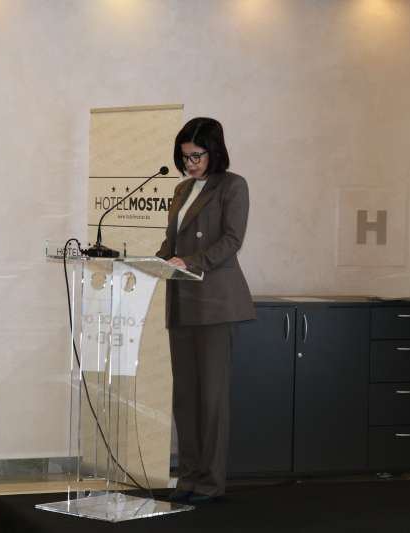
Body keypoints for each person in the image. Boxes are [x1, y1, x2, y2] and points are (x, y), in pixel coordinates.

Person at [156, 117, 255, 503]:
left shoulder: (233, 186)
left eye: (197, 156)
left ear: (215, 151)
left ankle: (211, 483)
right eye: (185, 157)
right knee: (186, 398)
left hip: (215, 303)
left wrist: (190, 262)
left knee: (211, 398)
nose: (190, 163)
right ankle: (188, 479)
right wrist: (153, 262)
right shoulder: (181, 189)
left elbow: (232, 240)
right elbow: (172, 244)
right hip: (182, 302)